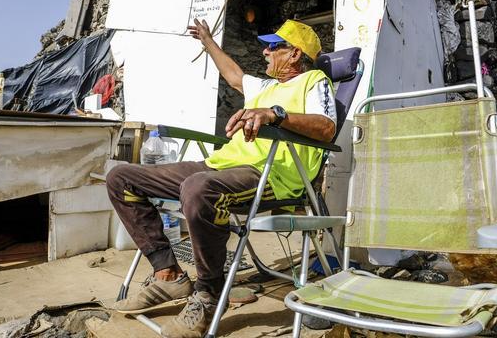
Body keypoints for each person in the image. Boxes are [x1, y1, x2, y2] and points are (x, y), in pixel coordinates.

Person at [106, 18, 336, 338]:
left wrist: (275, 115)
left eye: (273, 46)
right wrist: (208, 41)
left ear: (295, 54)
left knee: (199, 189)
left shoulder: (314, 81)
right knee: (121, 178)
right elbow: (234, 76)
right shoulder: (266, 86)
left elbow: (326, 128)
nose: (265, 51)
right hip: (221, 165)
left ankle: (209, 295)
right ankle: (168, 274)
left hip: (270, 175)